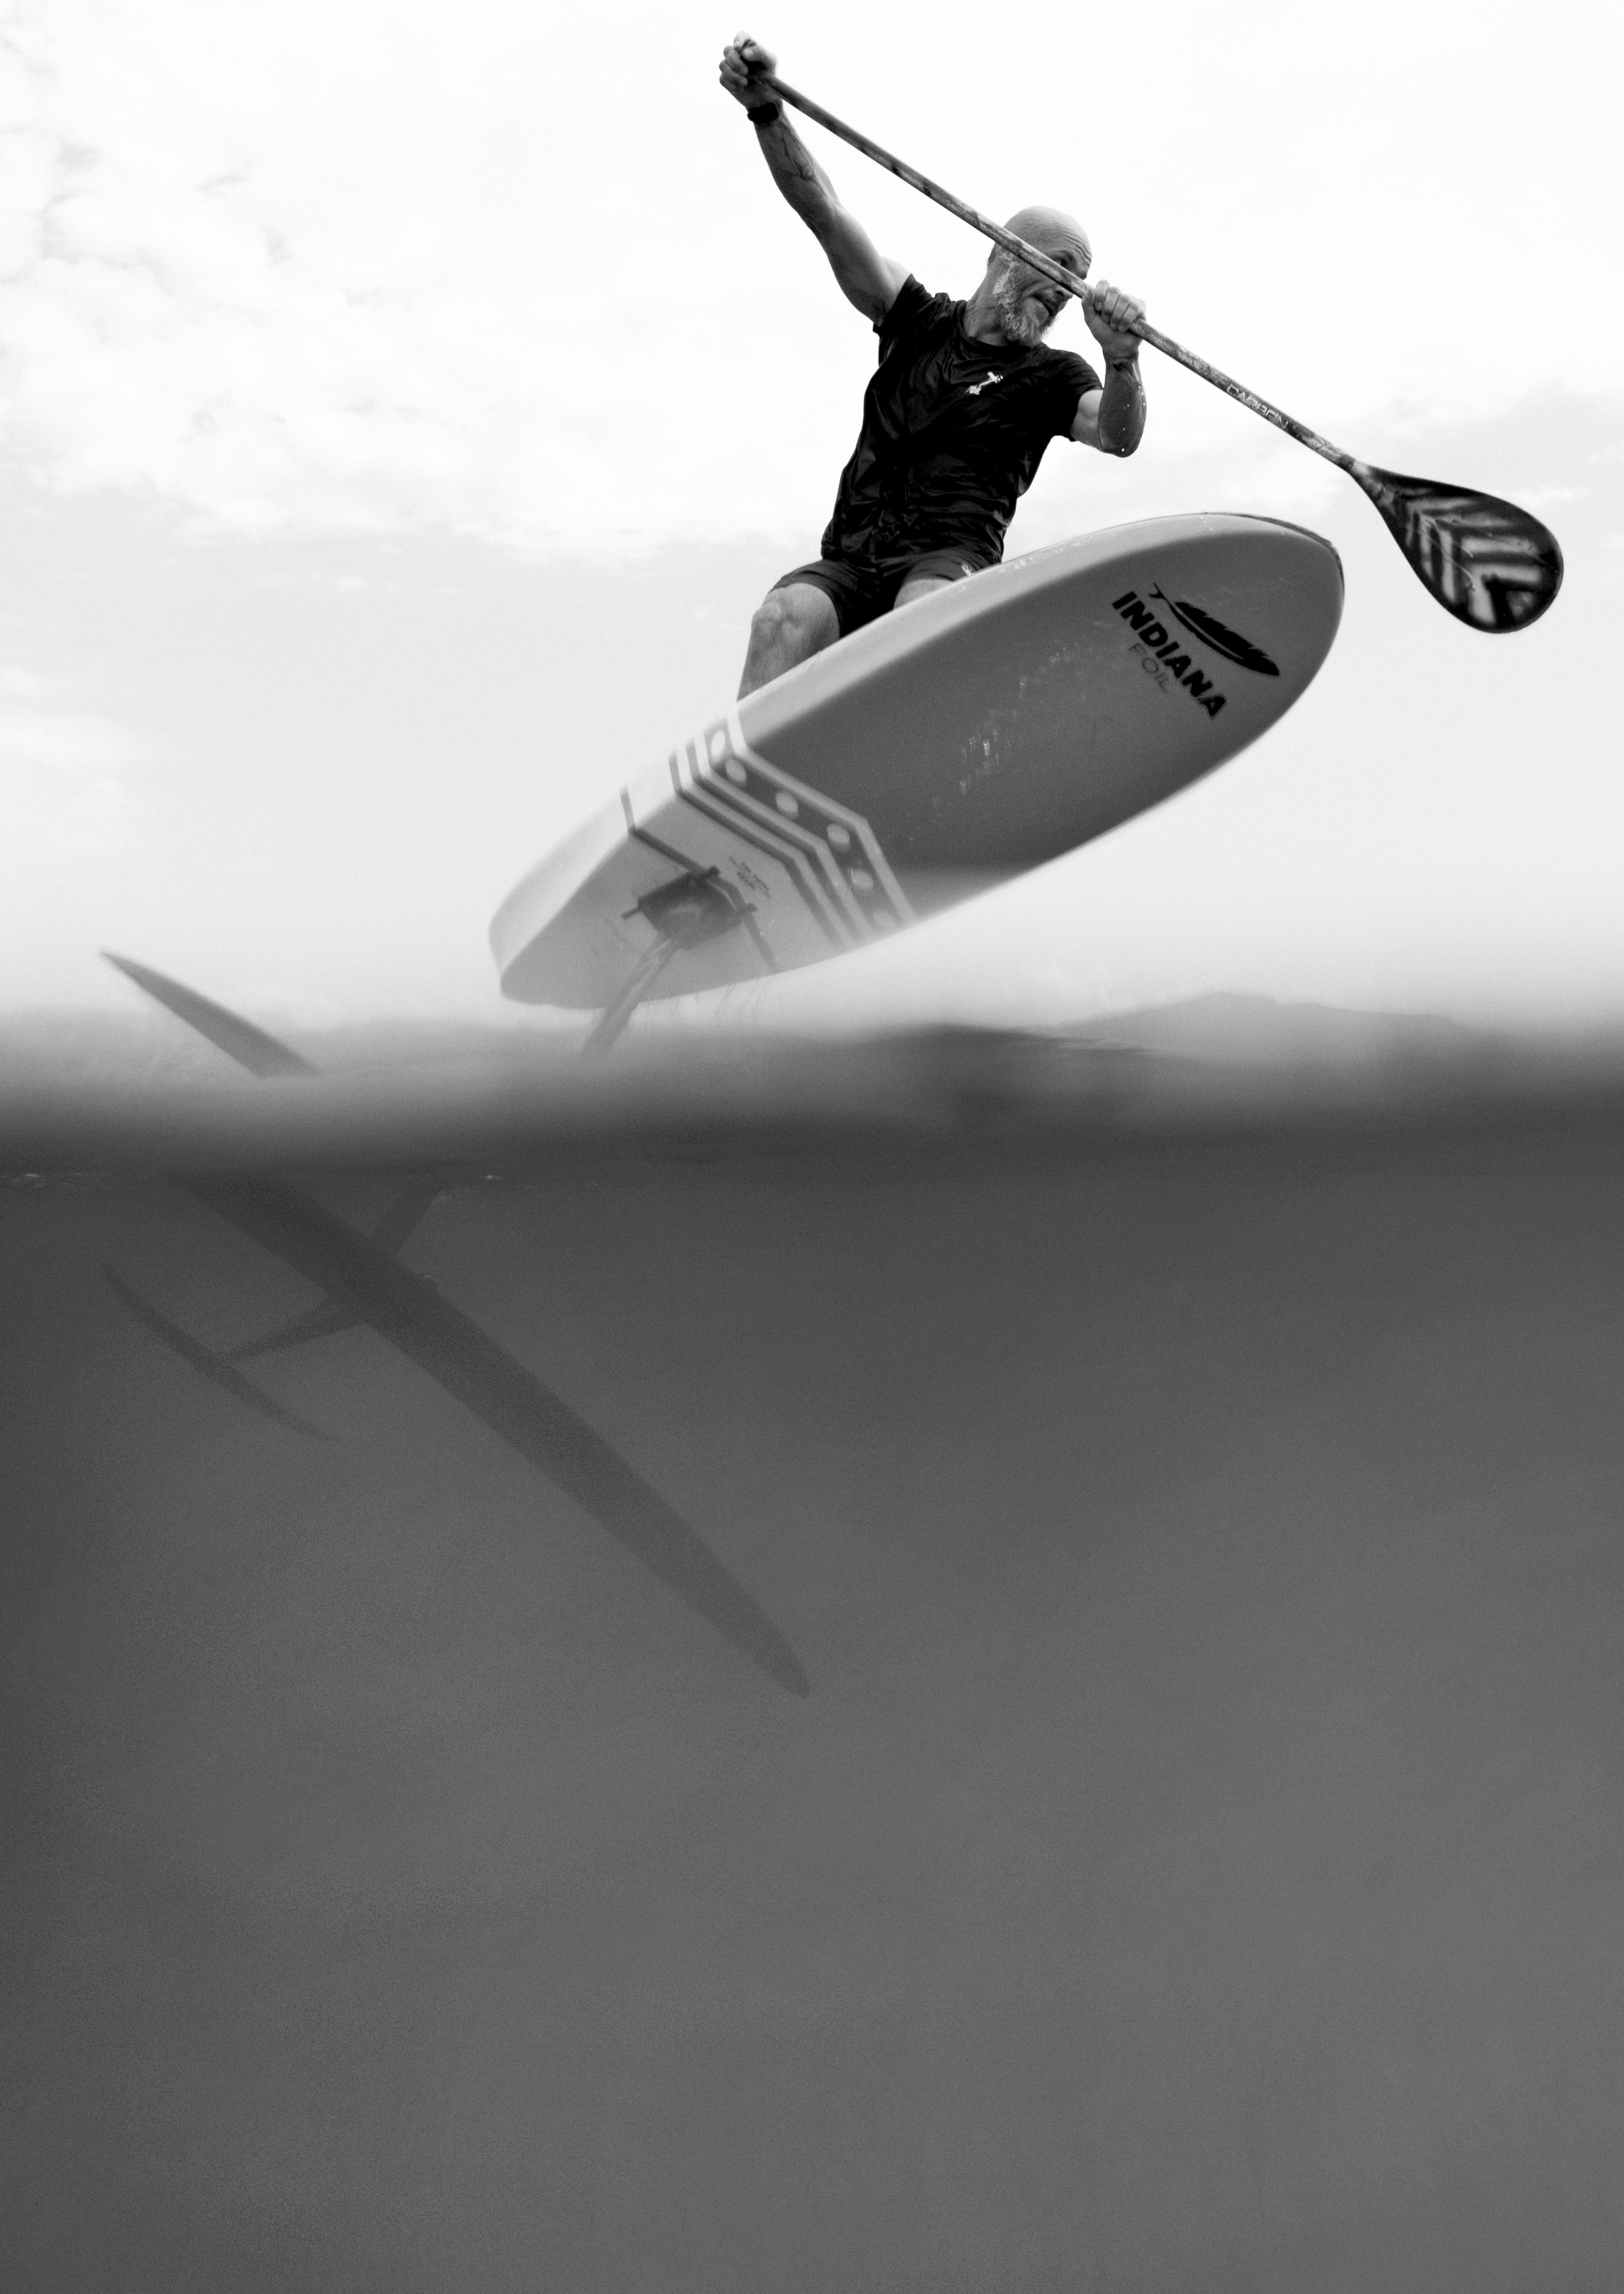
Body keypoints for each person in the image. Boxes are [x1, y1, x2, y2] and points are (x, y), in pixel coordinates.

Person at [719, 33, 1149, 699]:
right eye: (1060, 268)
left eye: (1079, 281)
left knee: (916, 616)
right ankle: (744, 758)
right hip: (854, 558)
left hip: (946, 564)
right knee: (783, 616)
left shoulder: (1054, 376)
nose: (1069, 291)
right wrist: (767, 111)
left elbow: (1117, 436)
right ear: (1006, 252)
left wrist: (1122, 360)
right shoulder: (913, 317)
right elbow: (825, 212)